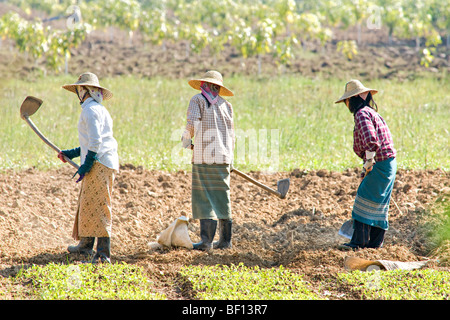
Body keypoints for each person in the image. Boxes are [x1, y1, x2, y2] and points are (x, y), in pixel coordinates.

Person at [59, 72, 119, 263]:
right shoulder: (97, 109)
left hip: (99, 163)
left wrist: (86, 165)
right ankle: (85, 246)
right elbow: (89, 142)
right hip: (100, 161)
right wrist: (71, 153)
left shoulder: (90, 111)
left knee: (99, 206)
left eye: (79, 89)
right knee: (87, 204)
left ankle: (103, 254)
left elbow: (95, 142)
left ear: (85, 91)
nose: (77, 92)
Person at [335, 79, 397, 250]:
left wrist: (369, 162)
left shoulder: (361, 114)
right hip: (388, 164)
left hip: (379, 163)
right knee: (379, 203)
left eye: (347, 101)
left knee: (363, 199)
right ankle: (375, 243)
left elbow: (371, 140)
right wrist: (367, 167)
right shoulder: (371, 112)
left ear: (351, 100)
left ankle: (358, 242)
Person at [181, 70, 235, 251]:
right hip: (223, 158)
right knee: (222, 196)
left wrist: (187, 141)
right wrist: (230, 159)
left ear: (203, 85)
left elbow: (193, 123)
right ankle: (225, 242)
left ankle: (206, 242)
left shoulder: (197, 100)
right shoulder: (226, 105)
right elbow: (231, 135)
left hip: (204, 157)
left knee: (204, 197)